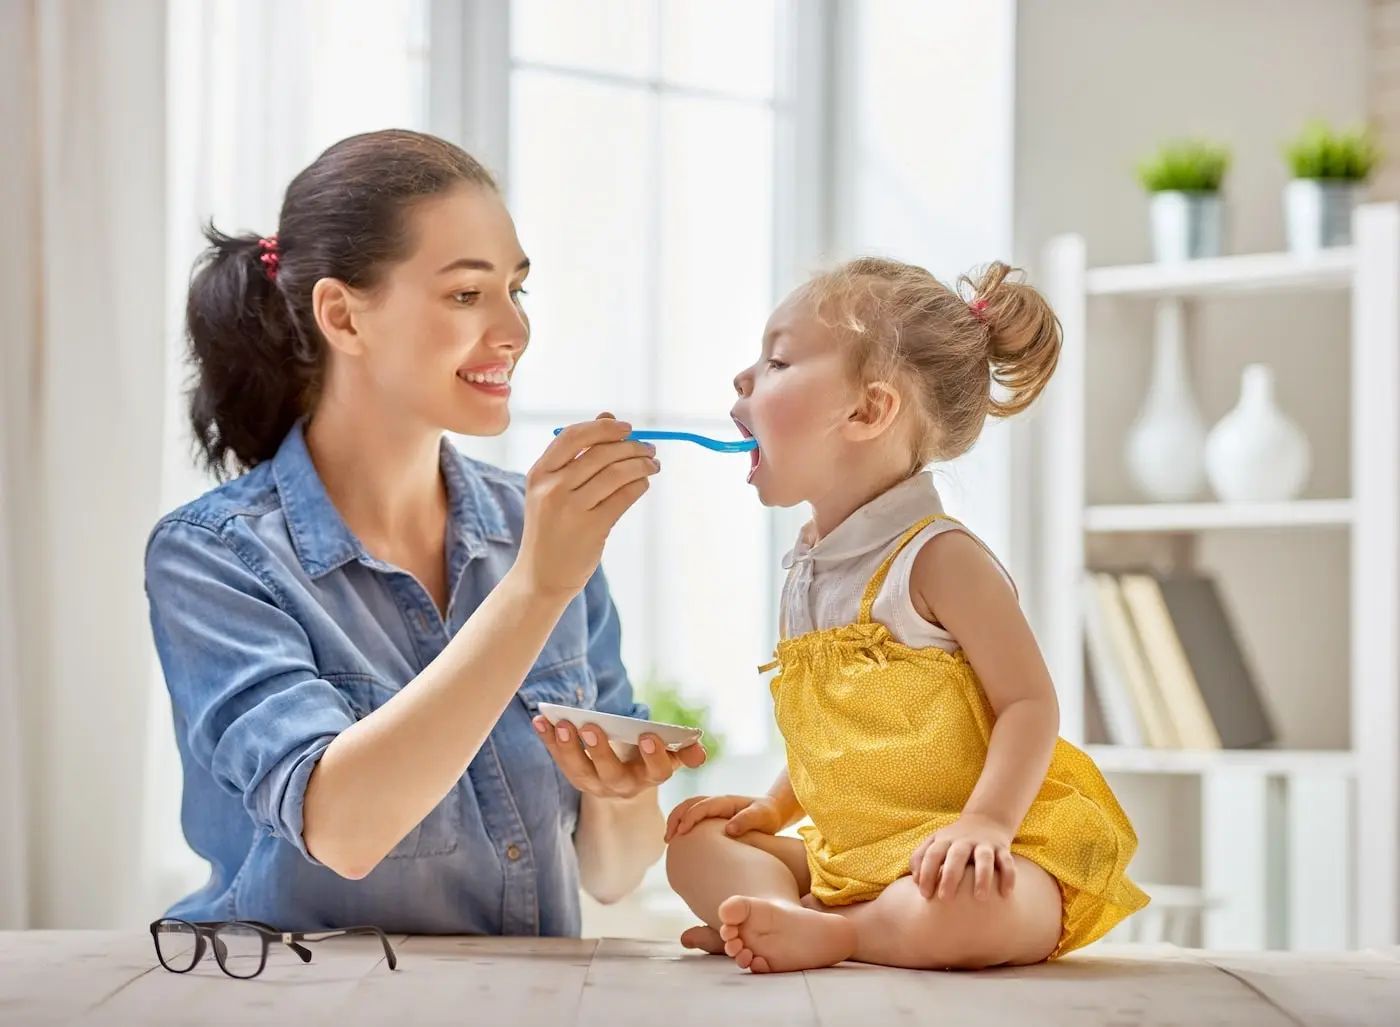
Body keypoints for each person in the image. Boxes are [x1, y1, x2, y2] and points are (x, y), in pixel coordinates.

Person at [144, 128, 704, 936]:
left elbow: (612, 876)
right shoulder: (214, 556)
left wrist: (625, 793)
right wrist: (536, 589)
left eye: (518, 288)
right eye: (467, 294)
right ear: (342, 314)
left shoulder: (534, 528)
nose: (514, 328)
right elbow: (342, 827)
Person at [663, 257, 1148, 973]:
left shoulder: (940, 558)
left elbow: (1029, 702)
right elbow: (843, 733)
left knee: (975, 910)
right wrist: (770, 810)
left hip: (961, 854)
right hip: (854, 855)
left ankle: (840, 933)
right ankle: (793, 920)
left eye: (777, 360)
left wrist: (986, 824)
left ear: (867, 411)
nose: (744, 378)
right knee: (694, 847)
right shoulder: (810, 568)